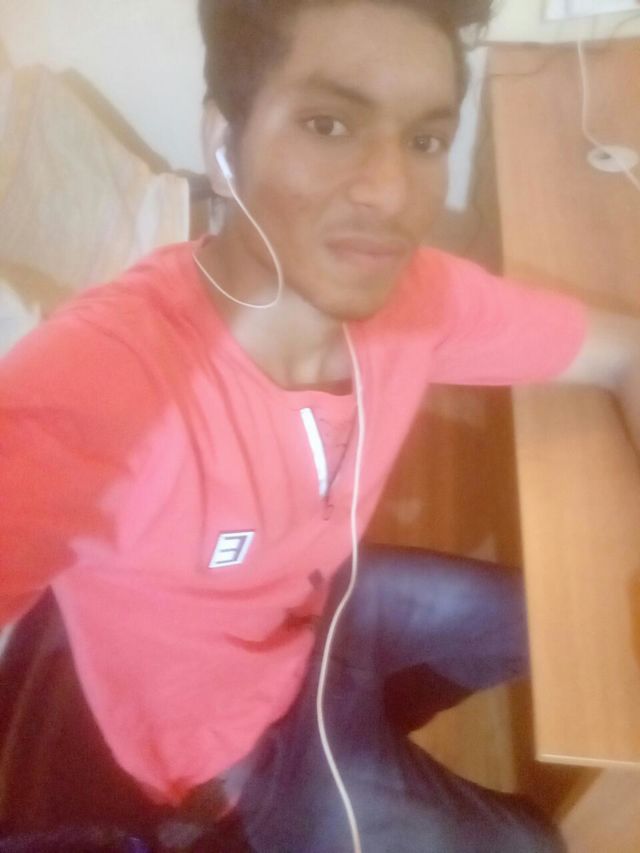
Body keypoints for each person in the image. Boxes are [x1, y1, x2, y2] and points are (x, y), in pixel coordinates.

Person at [1, 1, 639, 851]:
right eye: (328, 124)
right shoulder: (100, 389)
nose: (391, 194)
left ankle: (376, 728)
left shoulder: (414, 295)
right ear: (224, 142)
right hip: (231, 755)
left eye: (424, 139)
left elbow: (626, 351)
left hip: (327, 610)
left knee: (564, 626)